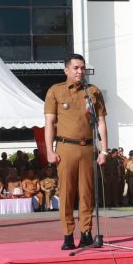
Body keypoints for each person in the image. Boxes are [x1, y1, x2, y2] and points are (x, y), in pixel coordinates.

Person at [44, 53, 109, 250]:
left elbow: (101, 122)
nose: (80, 71)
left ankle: (86, 232)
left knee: (87, 192)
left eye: (82, 68)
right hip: (66, 147)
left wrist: (104, 150)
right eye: (76, 68)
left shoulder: (93, 92)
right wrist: (49, 150)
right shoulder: (56, 91)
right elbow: (49, 123)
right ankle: (68, 234)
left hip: (88, 147)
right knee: (66, 192)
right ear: (66, 70)